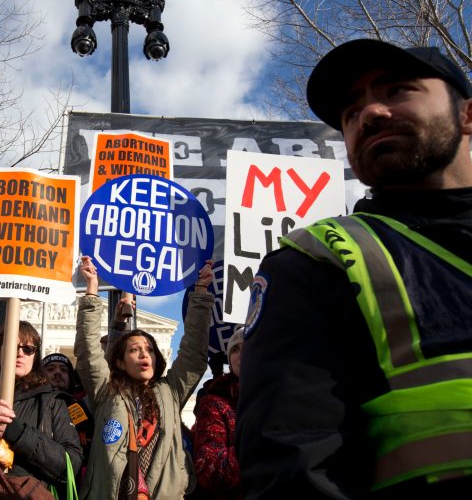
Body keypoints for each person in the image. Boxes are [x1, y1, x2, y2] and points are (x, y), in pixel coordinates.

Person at [236, 39, 472, 499]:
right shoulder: (315, 262)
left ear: (468, 115)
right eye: (350, 112)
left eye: (398, 90)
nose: (370, 114)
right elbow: (292, 471)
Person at [75, 256, 215, 499]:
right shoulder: (106, 391)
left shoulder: (169, 391)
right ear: (119, 361)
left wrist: (200, 291)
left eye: (149, 349)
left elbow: (193, 354)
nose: (144, 354)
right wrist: (91, 290)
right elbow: (88, 352)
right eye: (134, 350)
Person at [0, 321, 83, 498]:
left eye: (28, 349)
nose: (19, 353)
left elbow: (71, 465)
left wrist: (21, 436)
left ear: (35, 356)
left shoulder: (51, 401)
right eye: (12, 346)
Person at [190, 328, 244, 500]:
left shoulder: (282, 397)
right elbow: (210, 470)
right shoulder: (215, 403)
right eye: (235, 349)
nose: (242, 354)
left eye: (250, 345)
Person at [42, 352, 95, 486]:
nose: (58, 373)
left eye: (64, 370)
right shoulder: (32, 404)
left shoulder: (81, 407)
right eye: (50, 369)